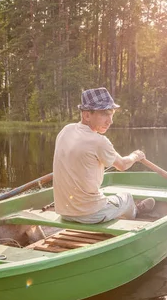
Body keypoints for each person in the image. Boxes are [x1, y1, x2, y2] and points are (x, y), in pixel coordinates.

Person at [53, 87, 155, 224]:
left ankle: (114, 213)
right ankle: (135, 212)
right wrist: (136, 155)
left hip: (63, 212)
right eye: (104, 114)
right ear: (87, 115)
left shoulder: (66, 130)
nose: (110, 121)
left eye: (111, 114)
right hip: (90, 215)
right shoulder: (99, 141)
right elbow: (123, 165)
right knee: (127, 197)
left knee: (101, 197)